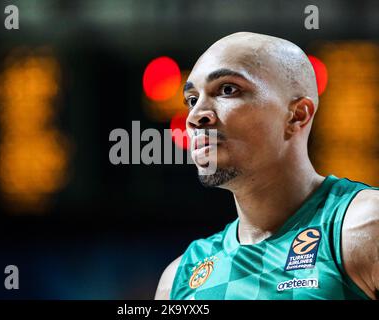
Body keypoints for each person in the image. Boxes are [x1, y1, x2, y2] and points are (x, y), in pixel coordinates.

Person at [155, 32, 379, 300]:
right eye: (192, 100)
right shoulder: (180, 276)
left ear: (297, 115)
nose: (194, 116)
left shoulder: (362, 227)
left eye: (228, 90)